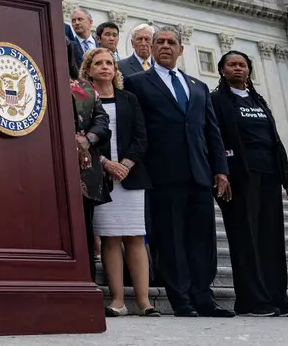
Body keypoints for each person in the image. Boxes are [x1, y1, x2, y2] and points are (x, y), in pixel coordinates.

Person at [123, 25, 232, 318]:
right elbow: (136, 129)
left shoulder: (197, 86)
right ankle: (180, 299)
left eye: (171, 42)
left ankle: (204, 298)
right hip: (163, 175)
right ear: (152, 47)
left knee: (202, 239)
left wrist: (220, 169)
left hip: (199, 174)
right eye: (160, 42)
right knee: (171, 239)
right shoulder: (136, 83)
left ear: (181, 50)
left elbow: (212, 131)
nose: (165, 46)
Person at [211, 50, 288, 318]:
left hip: (268, 175)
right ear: (222, 70)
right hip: (238, 178)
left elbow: (274, 138)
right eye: (232, 65)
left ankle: (277, 299)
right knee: (245, 239)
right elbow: (215, 138)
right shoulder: (216, 100)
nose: (238, 68)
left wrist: (287, 176)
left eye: (242, 64)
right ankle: (251, 301)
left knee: (271, 240)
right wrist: (220, 172)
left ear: (249, 70)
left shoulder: (258, 101)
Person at [80, 47, 155, 317]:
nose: (105, 67)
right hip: (101, 178)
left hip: (131, 176)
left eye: (109, 62)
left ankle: (144, 301)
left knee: (135, 237)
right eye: (98, 63)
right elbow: (82, 138)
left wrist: (125, 164)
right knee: (110, 239)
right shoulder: (84, 100)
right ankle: (118, 301)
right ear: (88, 70)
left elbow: (141, 136)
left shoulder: (129, 99)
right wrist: (106, 164)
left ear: (115, 69)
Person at [69, 53, 110, 285]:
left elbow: (102, 120)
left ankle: (87, 284)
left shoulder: (85, 86)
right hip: (46, 167)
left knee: (84, 226)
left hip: (84, 168)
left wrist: (88, 139)